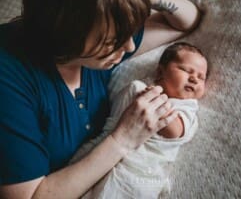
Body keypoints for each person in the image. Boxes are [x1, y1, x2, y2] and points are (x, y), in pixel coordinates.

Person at [0, 0, 201, 198]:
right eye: (112, 41)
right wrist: (123, 139)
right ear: (68, 31)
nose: (130, 46)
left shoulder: (103, 28)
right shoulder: (10, 78)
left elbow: (185, 21)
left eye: (130, 33)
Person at [71, 42, 208, 199]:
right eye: (185, 70)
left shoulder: (186, 107)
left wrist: (156, 101)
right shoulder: (139, 88)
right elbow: (114, 114)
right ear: (160, 71)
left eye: (201, 77)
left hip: (140, 171)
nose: (194, 79)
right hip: (102, 150)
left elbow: (174, 131)